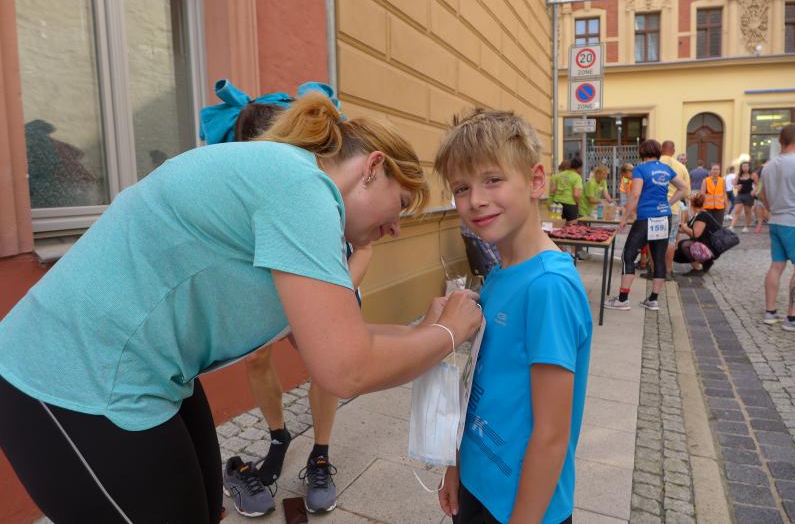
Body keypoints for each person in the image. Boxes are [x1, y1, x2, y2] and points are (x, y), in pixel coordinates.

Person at [0, 92, 483, 523]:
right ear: (373, 167)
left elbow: (332, 339)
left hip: (148, 372)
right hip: (68, 376)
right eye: (401, 204)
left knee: (202, 506)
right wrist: (447, 335)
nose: (396, 228)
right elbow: (345, 369)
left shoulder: (301, 194)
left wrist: (426, 330)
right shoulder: (303, 189)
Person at [199, 80, 362, 516]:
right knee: (255, 357)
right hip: (263, 268)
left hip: (324, 267)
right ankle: (277, 436)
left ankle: (320, 454)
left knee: (325, 362)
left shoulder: (317, 178)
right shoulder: (241, 171)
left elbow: (360, 245)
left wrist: (340, 294)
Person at [434, 108, 591, 524]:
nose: (476, 200)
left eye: (492, 180)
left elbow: (552, 435)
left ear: (536, 181)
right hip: (478, 480)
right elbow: (477, 382)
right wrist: (456, 464)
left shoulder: (549, 287)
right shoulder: (499, 274)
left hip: (525, 505)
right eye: (462, 187)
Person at [605, 140, 688, 311]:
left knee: (628, 256)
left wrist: (624, 218)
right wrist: (668, 203)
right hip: (664, 217)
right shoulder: (666, 168)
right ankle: (653, 300)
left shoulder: (640, 169)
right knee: (658, 258)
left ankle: (623, 300)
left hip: (645, 218)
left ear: (641, 152)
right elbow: (683, 187)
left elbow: (635, 195)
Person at [759, 123, 795, 332]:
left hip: (776, 220)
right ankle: (792, 317)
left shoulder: (768, 166)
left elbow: (762, 196)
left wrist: (772, 209)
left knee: (776, 266)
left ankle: (770, 311)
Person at [660, 140, 691, 282]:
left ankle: (654, 271)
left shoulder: (654, 163)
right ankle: (668, 271)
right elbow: (687, 193)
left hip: (655, 209)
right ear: (673, 151)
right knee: (671, 240)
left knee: (653, 239)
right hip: (673, 209)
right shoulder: (682, 167)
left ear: (661, 149)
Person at [675, 193, 723, 276]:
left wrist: (683, 226)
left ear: (691, 204)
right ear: (704, 203)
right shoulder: (698, 215)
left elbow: (695, 234)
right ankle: (705, 263)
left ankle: (698, 267)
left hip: (711, 248)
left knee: (683, 245)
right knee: (676, 255)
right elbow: (683, 229)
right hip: (708, 246)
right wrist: (676, 227)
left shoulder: (702, 216)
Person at [550, 157, 584, 224]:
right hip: (570, 205)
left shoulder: (558, 175)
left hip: (556, 203)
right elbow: (576, 194)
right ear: (579, 168)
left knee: (556, 226)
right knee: (572, 227)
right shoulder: (577, 177)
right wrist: (578, 203)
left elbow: (552, 190)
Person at [728, 161, 757, 232]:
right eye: (743, 166)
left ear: (749, 167)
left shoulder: (753, 175)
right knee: (737, 211)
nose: (745, 168)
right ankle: (731, 227)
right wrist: (737, 186)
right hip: (740, 195)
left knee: (747, 212)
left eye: (746, 166)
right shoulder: (739, 175)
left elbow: (759, 184)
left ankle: (746, 227)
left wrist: (754, 191)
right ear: (741, 167)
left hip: (749, 195)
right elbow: (734, 184)